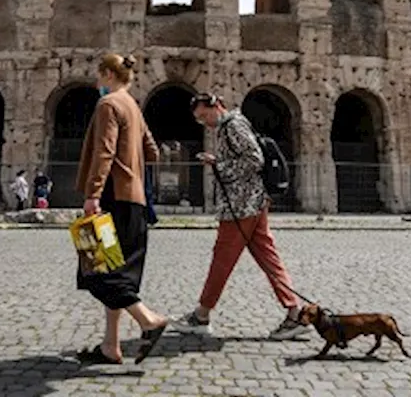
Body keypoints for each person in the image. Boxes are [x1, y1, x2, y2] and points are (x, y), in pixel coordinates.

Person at [170, 93, 308, 341]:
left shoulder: (232, 125)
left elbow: (255, 159)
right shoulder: (229, 125)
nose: (204, 123)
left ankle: (201, 316)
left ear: (216, 106)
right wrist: (218, 160)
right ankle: (295, 312)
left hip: (241, 205)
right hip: (251, 203)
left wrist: (219, 166)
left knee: (222, 259)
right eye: (199, 120)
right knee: (268, 258)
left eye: (204, 116)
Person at [74, 53, 169, 365]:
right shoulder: (135, 109)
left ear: (108, 74)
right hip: (136, 200)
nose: (97, 81)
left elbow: (105, 152)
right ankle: (110, 345)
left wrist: (92, 194)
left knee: (97, 270)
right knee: (117, 270)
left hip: (113, 196)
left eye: (99, 75)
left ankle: (147, 320)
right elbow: (153, 152)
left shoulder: (108, 104)